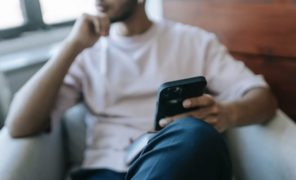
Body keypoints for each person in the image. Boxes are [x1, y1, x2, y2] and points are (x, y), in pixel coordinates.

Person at [5, 0, 277, 179]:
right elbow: (18, 125)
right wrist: (71, 46)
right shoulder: (86, 51)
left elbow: (263, 98)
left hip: (175, 162)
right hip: (105, 171)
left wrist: (228, 113)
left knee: (195, 133)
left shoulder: (193, 41)